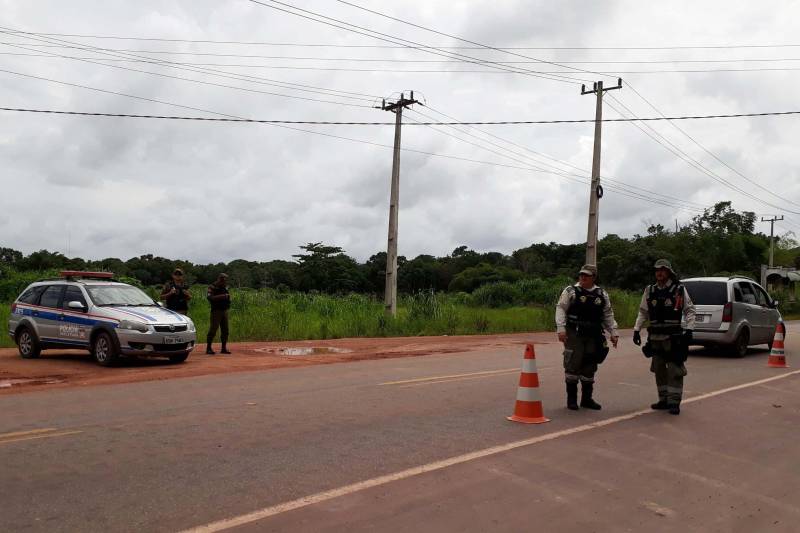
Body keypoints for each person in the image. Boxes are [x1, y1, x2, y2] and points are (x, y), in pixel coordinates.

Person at [632, 259, 696, 415]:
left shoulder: (678, 289)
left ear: (669, 272)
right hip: (655, 337)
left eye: (663, 270)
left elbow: (690, 310)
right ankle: (663, 400)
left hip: (673, 337)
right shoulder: (649, 290)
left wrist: (689, 330)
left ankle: (674, 402)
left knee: (675, 369)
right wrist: (636, 330)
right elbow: (643, 312)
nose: (659, 273)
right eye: (657, 270)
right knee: (659, 369)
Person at [555, 264, 619, 411]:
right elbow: (561, 308)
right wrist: (561, 328)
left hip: (594, 335)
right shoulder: (571, 291)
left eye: (587, 275)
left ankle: (587, 399)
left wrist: (613, 333)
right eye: (581, 275)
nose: (583, 277)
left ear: (594, 277)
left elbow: (608, 314)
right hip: (574, 333)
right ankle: (572, 400)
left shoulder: (602, 294)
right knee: (573, 364)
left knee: (589, 366)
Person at [206, 273, 231, 355]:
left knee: (225, 330)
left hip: (224, 310)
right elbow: (209, 298)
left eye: (225, 280)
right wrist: (222, 296)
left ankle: (223, 348)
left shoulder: (224, 287)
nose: (224, 282)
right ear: (219, 279)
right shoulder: (212, 287)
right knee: (213, 329)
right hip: (216, 311)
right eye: (223, 280)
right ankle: (208, 348)